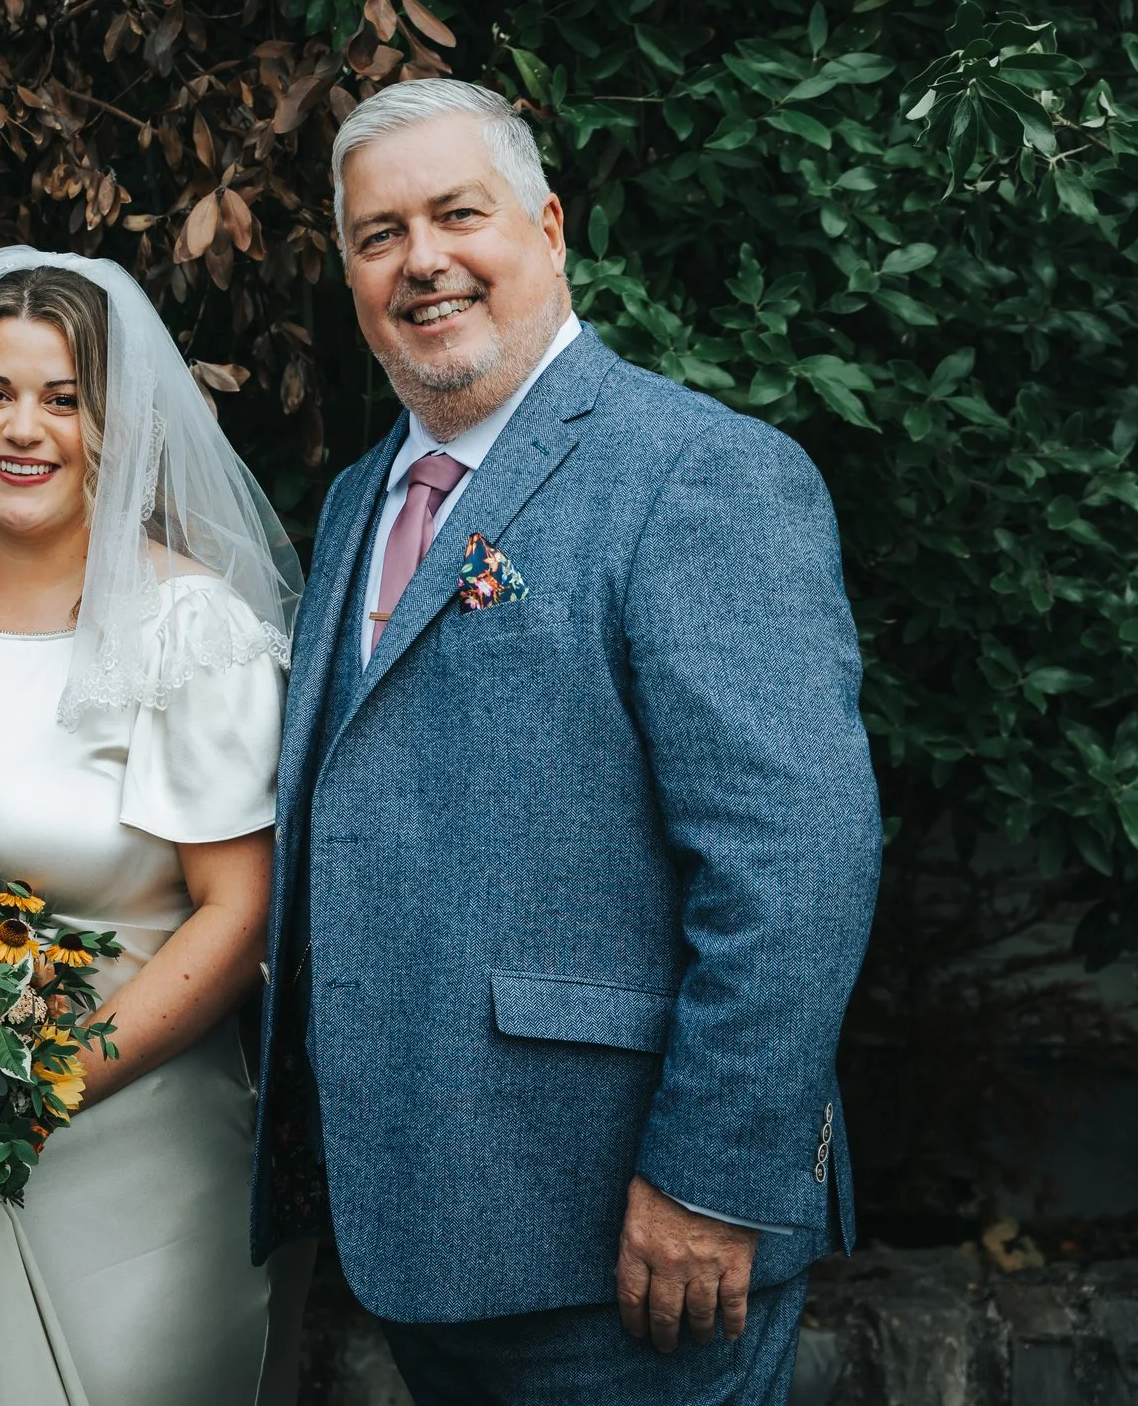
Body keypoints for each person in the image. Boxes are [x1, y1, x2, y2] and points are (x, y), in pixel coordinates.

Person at [251, 78, 880, 1403]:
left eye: (457, 213)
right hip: (430, 1225)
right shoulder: (364, 494)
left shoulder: (697, 475)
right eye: (378, 234)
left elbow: (796, 861)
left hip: (635, 1237)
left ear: (547, 226)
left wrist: (713, 1176)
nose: (421, 258)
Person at [0, 248, 310, 1406]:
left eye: (64, 397)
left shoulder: (189, 626)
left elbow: (240, 911)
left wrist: (24, 1092)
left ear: (118, 424)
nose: (23, 428)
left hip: (128, 1159)